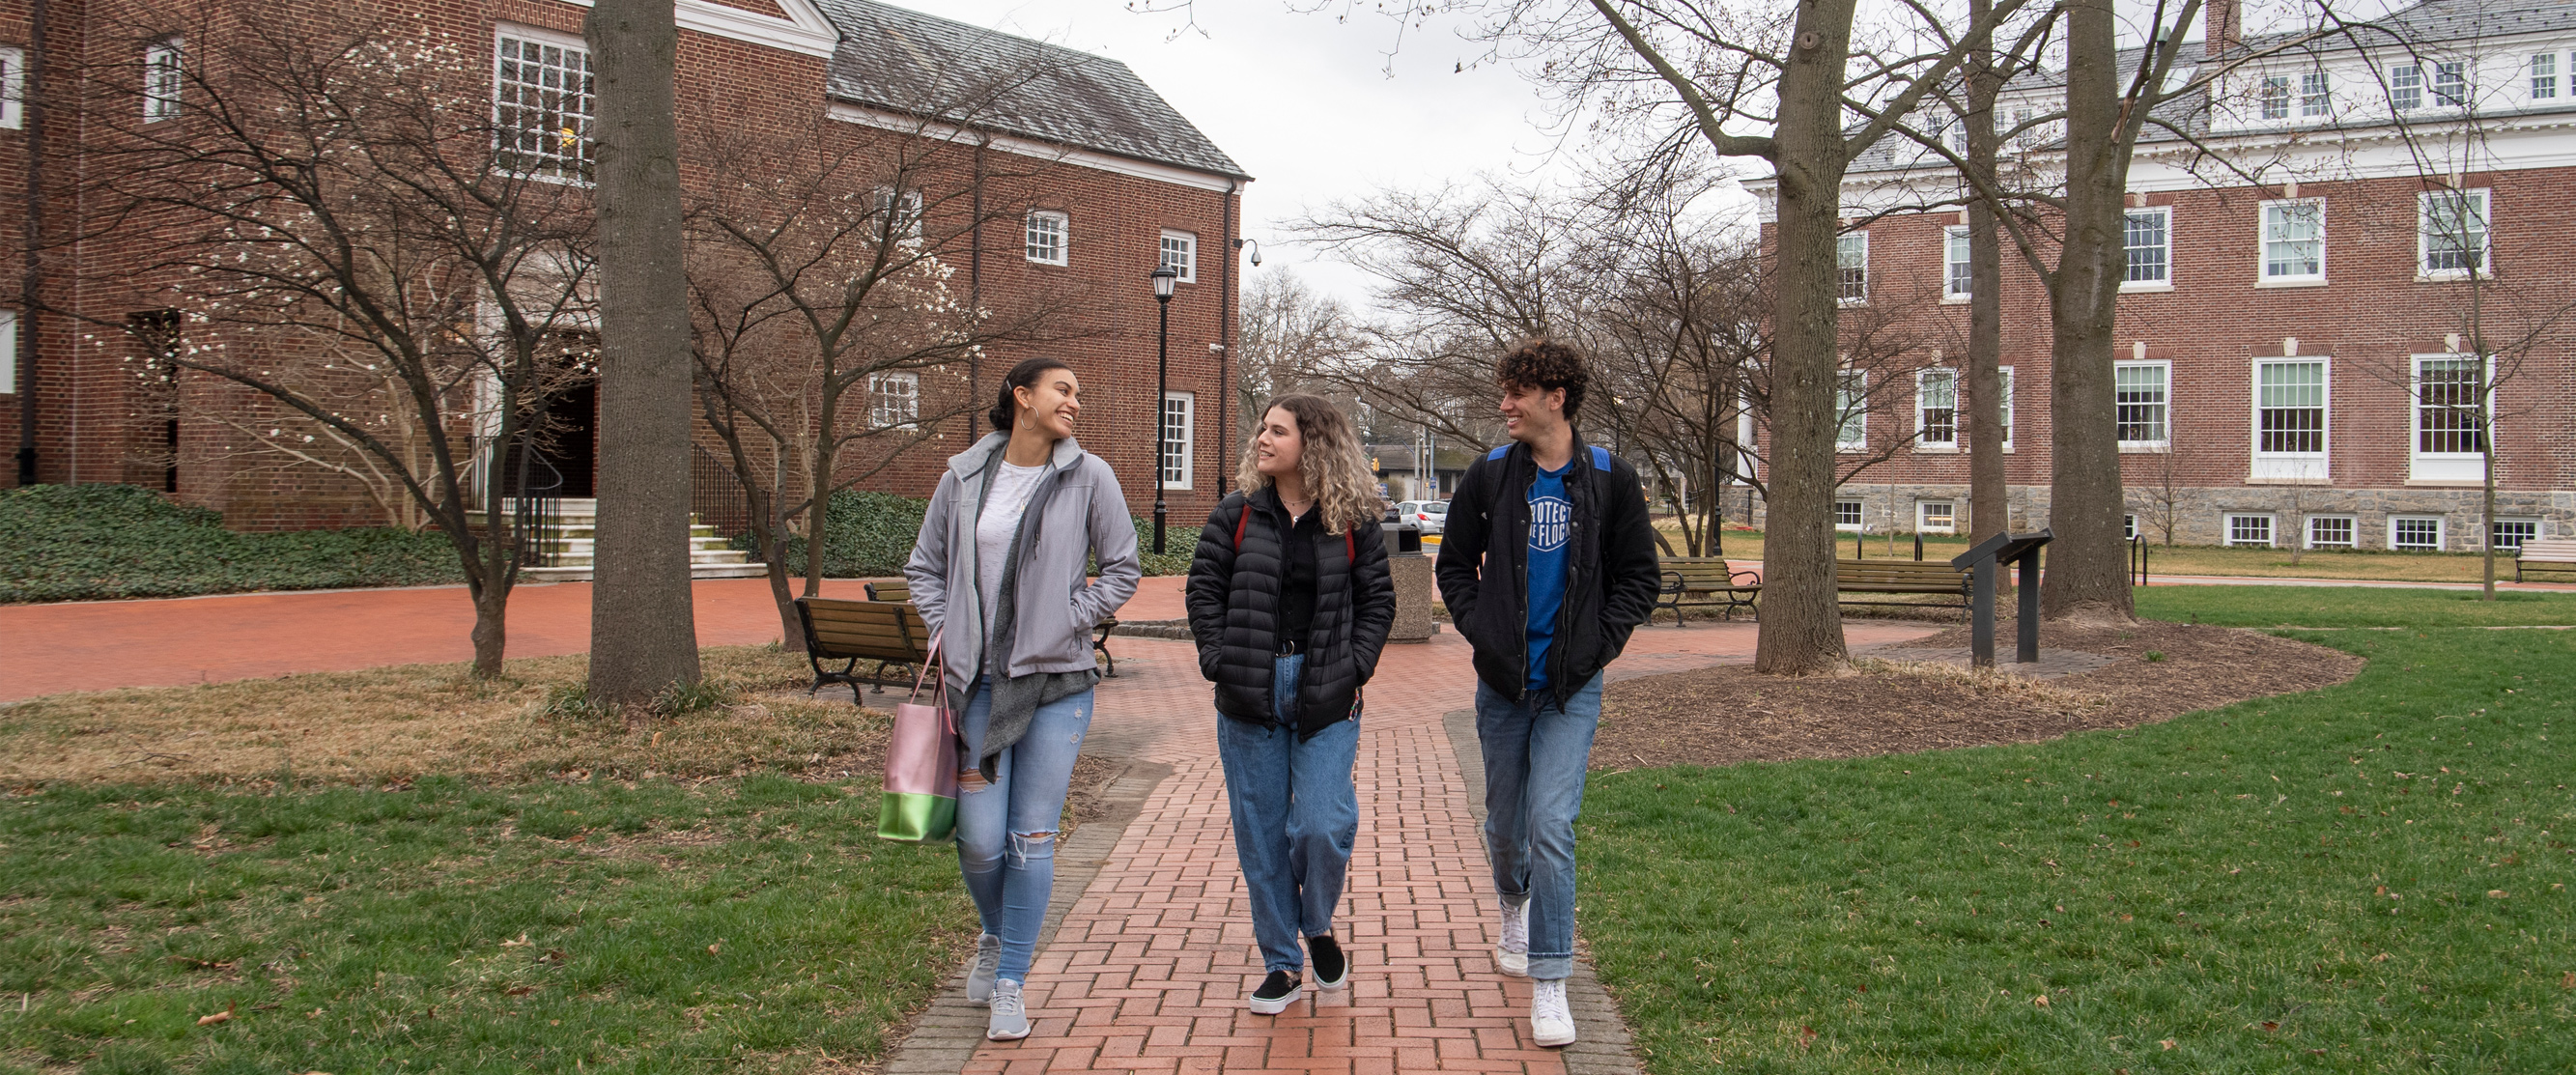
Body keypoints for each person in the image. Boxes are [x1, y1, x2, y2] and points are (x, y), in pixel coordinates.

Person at [903, 356, 1141, 1042]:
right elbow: (925, 566)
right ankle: (993, 931)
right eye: (1063, 389)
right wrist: (946, 628)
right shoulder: (964, 477)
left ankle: (1011, 978)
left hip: (1057, 685)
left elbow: (1123, 566)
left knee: (1030, 838)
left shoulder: (1086, 475)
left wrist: (1071, 614)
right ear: (1022, 398)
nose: (1075, 402)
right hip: (977, 684)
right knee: (979, 842)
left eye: (1078, 391)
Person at [1433, 338, 1661, 1047]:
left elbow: (1638, 578)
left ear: (1555, 397)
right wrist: (1485, 633)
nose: (1504, 404)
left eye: (1516, 392)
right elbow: (1451, 566)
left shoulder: (1608, 478)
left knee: (1551, 826)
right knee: (1506, 827)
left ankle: (1551, 977)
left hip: (1570, 688)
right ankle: (1513, 904)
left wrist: (1596, 645)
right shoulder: (1490, 474)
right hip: (1502, 683)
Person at [1186, 394, 1396, 1015]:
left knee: (1324, 824)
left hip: (1326, 688)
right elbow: (1204, 589)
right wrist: (1219, 660)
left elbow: (1377, 602)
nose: (1262, 438)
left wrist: (1355, 668)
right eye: (1262, 428)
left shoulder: (1351, 521)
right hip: (1248, 690)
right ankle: (1282, 962)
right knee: (1261, 834)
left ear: (1315, 443)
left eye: (1277, 430)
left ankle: (1316, 921)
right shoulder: (1238, 513)